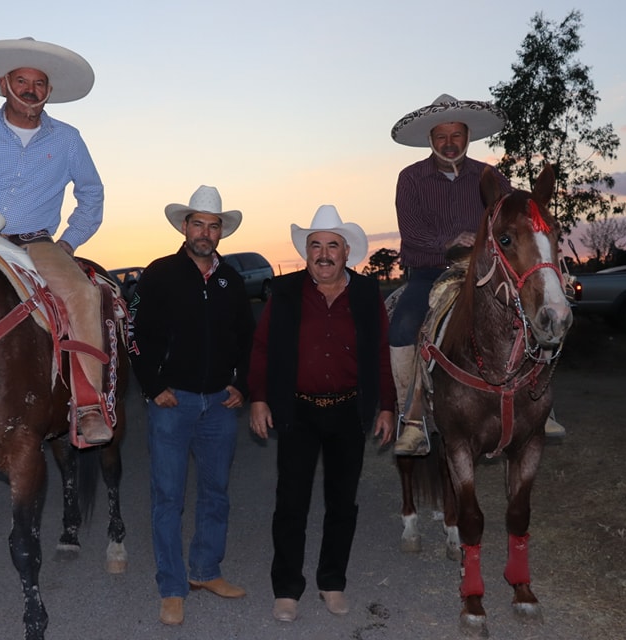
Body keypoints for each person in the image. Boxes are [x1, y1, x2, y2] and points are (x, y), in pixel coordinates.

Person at [0, 37, 114, 445]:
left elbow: (91, 192)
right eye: (21, 80)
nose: (30, 89)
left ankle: (87, 404)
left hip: (35, 242)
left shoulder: (68, 139)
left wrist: (70, 241)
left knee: (83, 294)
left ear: (49, 91)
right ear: (4, 84)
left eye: (39, 83)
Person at [388, 93, 566, 455]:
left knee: (535, 309)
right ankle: (412, 419)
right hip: (430, 270)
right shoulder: (410, 179)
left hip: (484, 269)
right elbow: (411, 232)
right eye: (441, 136)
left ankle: (539, 404)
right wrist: (449, 240)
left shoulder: (489, 175)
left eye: (456, 135)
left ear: (467, 137)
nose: (449, 143)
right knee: (403, 325)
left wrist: (536, 222)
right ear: (430, 140)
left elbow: (516, 211)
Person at [248, 205, 395, 623]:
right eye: (316, 246)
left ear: (347, 252)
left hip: (349, 411)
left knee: (342, 504)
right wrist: (258, 398)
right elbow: (261, 348)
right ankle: (287, 590)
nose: (324, 253)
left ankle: (332, 583)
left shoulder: (368, 294)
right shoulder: (285, 291)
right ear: (306, 252)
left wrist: (386, 404)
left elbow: (381, 353)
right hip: (298, 411)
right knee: (290, 502)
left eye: (332, 245)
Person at [129, 185, 255, 626]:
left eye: (213, 225)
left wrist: (243, 384)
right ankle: (172, 586)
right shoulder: (159, 273)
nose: (205, 231)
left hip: (219, 403)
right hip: (172, 402)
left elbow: (247, 339)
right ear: (184, 227)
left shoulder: (231, 280)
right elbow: (136, 335)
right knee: (168, 497)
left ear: (222, 232)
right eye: (197, 223)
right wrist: (152, 386)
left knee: (215, 493)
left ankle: (205, 571)